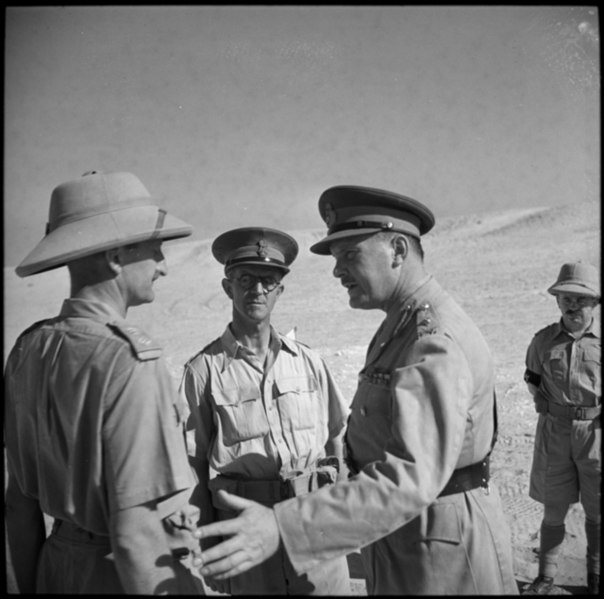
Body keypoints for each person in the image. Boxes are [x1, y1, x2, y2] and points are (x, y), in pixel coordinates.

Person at [192, 185, 519, 595]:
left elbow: (409, 476)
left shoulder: (431, 339)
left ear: (397, 250)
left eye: (349, 254)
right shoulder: (397, 327)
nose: (336, 270)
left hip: (442, 553)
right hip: (408, 536)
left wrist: (284, 525)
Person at [4, 170, 204, 594]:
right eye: (155, 251)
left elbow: (19, 506)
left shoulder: (27, 349)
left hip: (54, 567)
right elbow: (136, 535)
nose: (163, 267)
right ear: (115, 256)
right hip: (126, 575)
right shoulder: (130, 360)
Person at [180, 226, 351, 595]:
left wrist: (339, 520)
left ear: (280, 290)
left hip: (313, 523)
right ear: (228, 288)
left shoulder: (309, 362)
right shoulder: (203, 371)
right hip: (244, 532)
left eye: (267, 281)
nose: (256, 290)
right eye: (245, 279)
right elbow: (194, 467)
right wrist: (208, 546)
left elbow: (337, 438)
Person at [522, 262, 601, 596]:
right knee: (553, 507)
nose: (572, 305)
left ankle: (594, 577)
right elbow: (533, 380)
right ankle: (546, 577)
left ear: (594, 304)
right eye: (566, 297)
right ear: (558, 301)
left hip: (596, 435)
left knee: (598, 511)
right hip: (555, 433)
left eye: (580, 299)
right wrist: (550, 410)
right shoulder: (543, 341)